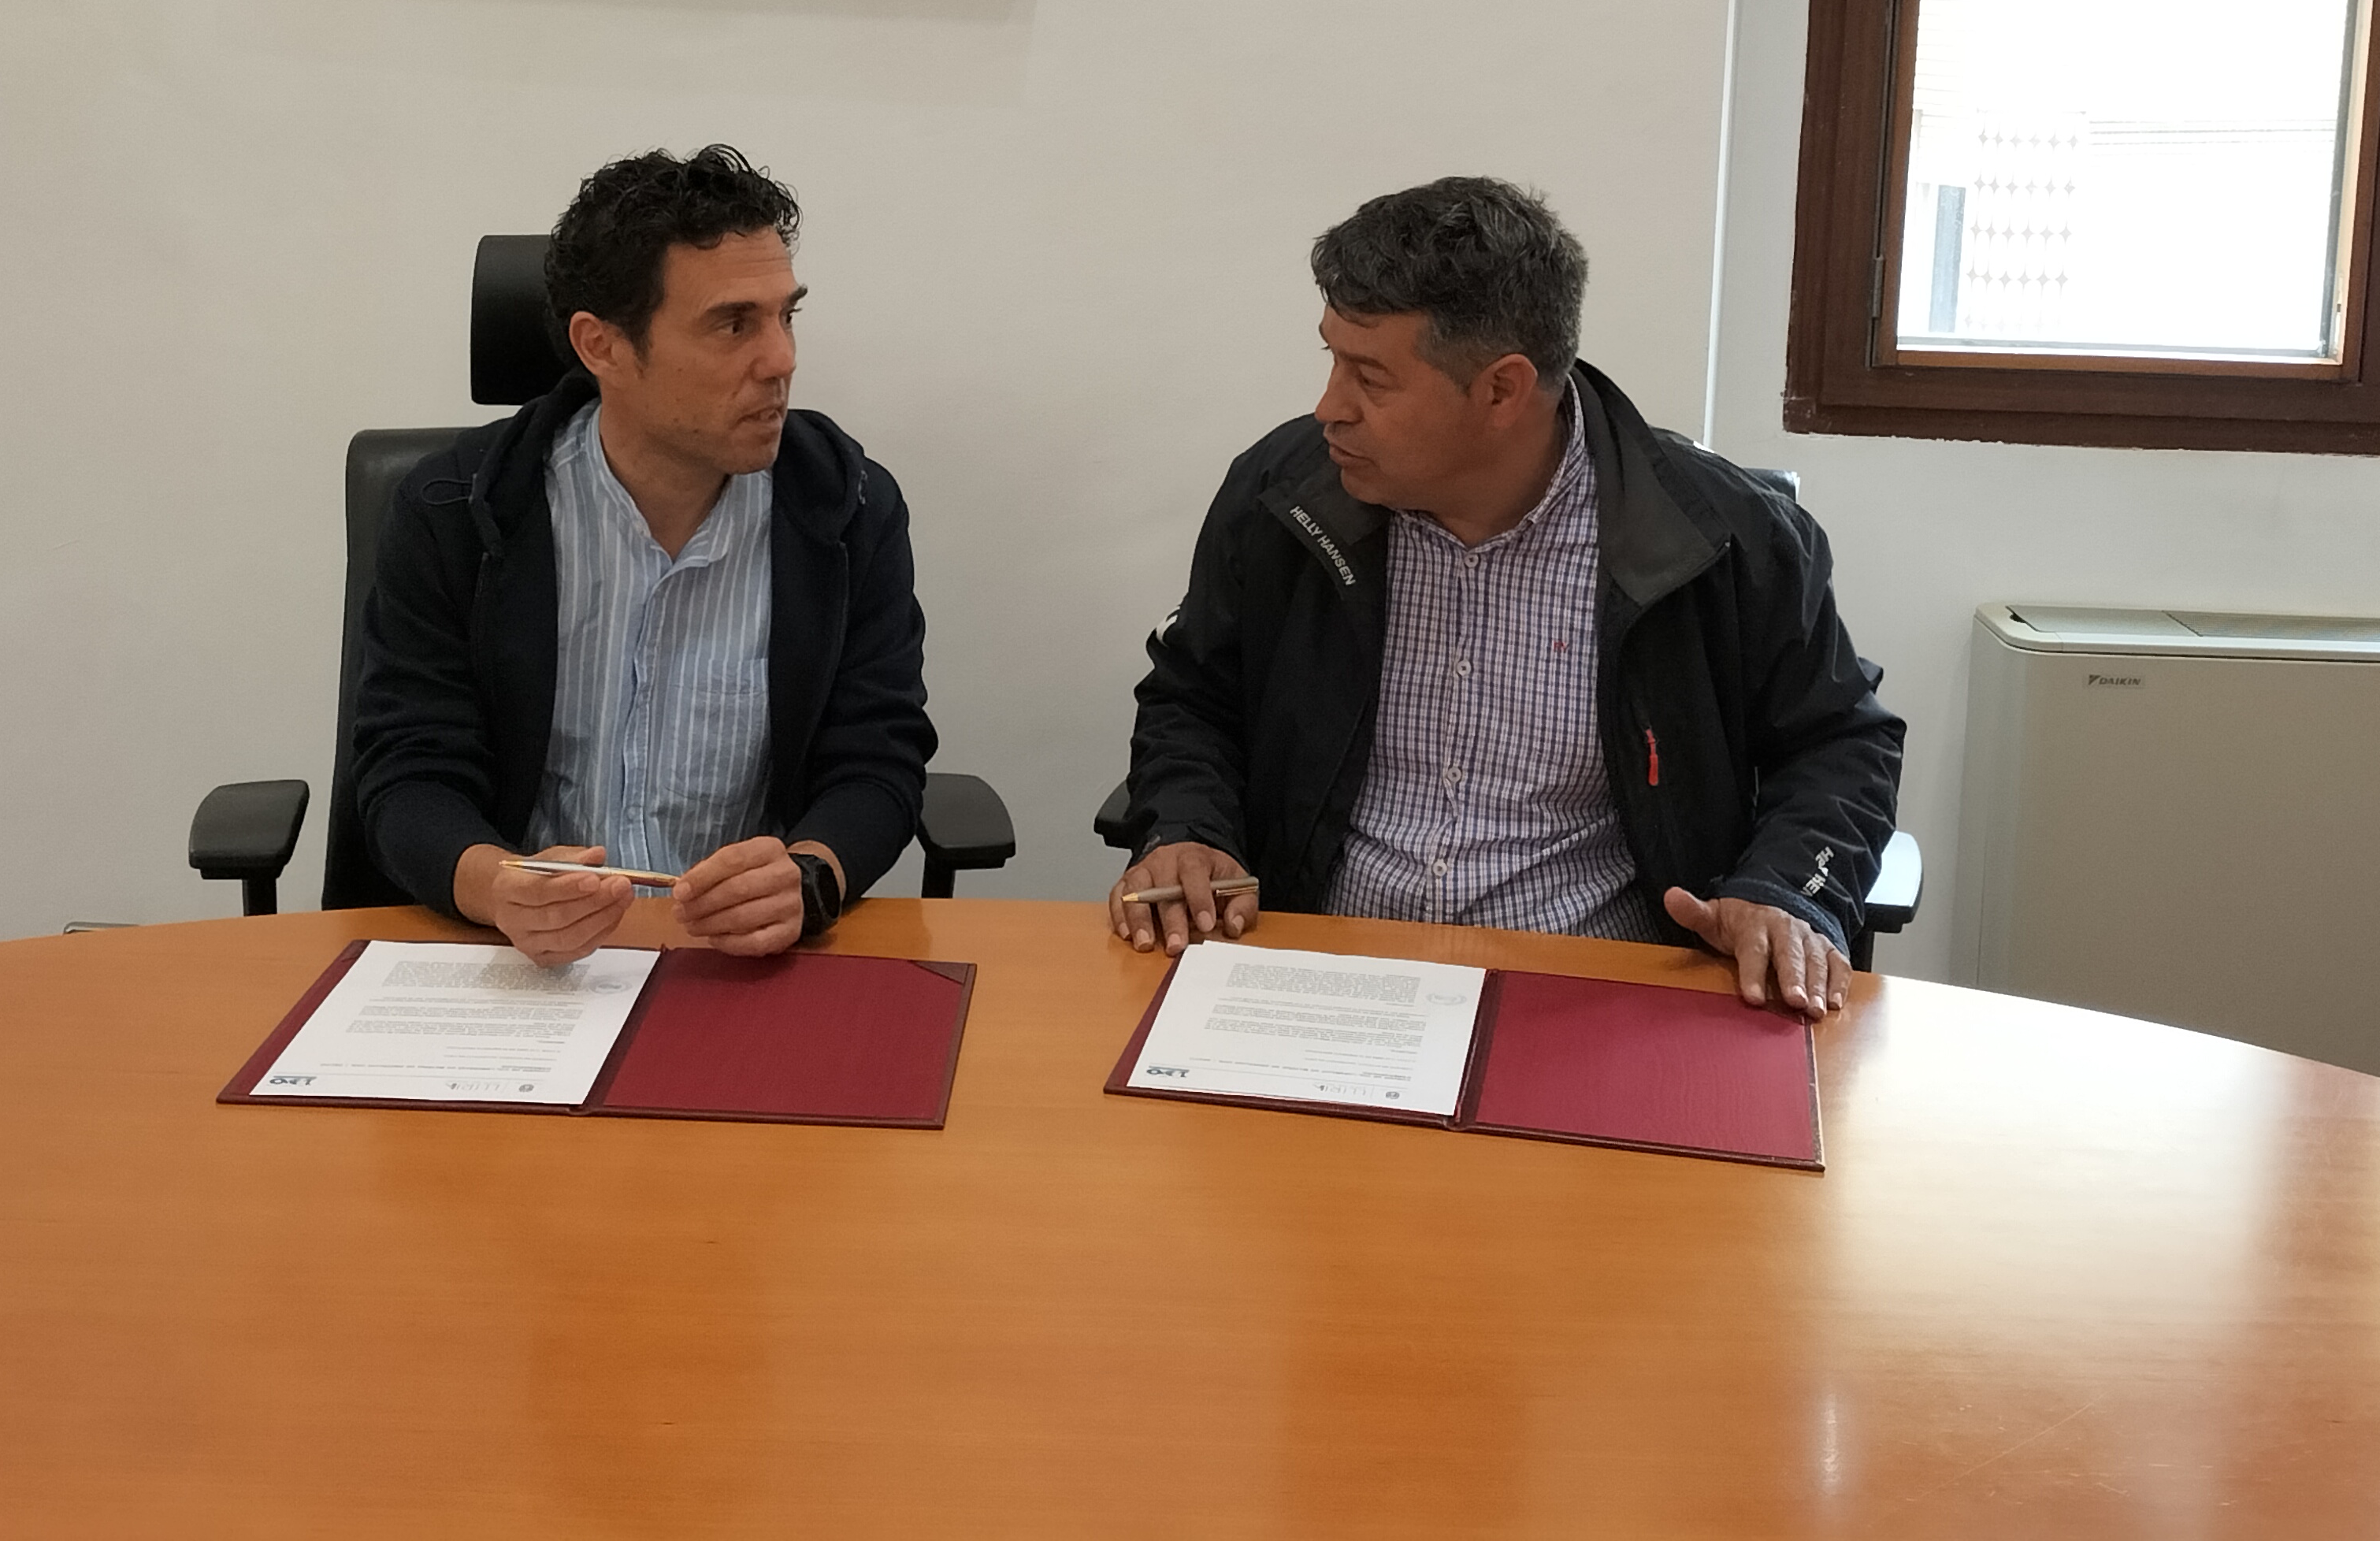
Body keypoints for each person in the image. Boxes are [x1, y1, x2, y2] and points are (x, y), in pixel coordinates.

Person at [1113, 176, 1903, 1017]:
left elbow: (1838, 743)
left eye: (1370, 379)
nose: (1329, 409)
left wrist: (1784, 888)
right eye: (1332, 359)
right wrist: (1187, 829)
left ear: (1501, 390)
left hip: (1597, 994)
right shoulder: (1282, 496)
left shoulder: (1723, 535)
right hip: (1321, 976)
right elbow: (1193, 698)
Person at [351, 147, 934, 965]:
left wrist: (809, 877)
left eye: (786, 316)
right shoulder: (454, 513)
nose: (782, 360)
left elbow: (877, 761)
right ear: (603, 347)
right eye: (734, 324)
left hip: (744, 964)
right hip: (519, 960)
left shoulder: (848, 509)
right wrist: (500, 888)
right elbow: (409, 772)